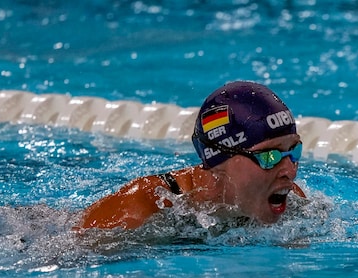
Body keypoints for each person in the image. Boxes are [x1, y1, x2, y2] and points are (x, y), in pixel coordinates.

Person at [73, 81, 306, 231]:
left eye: (293, 151)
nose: (290, 171)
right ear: (219, 160)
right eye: (269, 156)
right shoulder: (139, 210)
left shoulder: (290, 201)